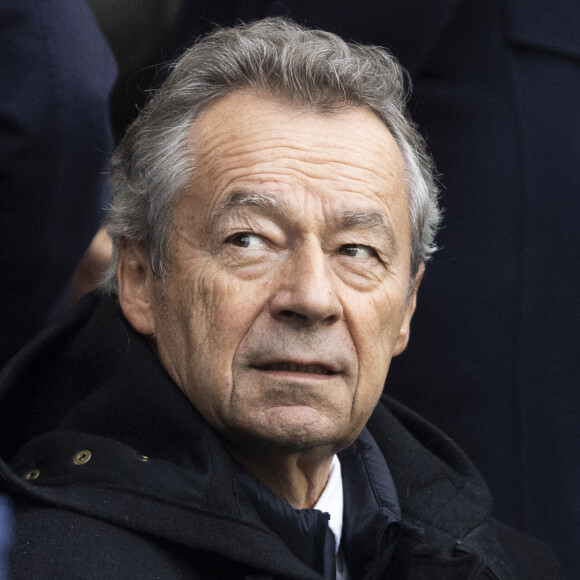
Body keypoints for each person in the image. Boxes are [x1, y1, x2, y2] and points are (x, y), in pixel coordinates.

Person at [0, 18, 562, 579]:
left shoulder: (500, 561)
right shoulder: (43, 561)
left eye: (357, 250)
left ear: (407, 306)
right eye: (250, 240)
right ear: (140, 277)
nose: (313, 297)